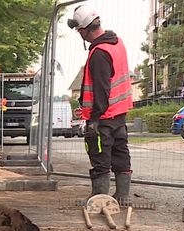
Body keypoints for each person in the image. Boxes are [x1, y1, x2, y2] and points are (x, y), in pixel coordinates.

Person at [68, 5, 133, 203]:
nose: (80, 34)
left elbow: (101, 89)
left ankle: (99, 197)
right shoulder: (117, 43)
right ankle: (122, 196)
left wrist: (94, 118)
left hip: (103, 117)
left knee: (99, 154)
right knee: (120, 151)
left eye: (79, 31)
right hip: (119, 113)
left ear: (84, 29)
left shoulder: (99, 53)